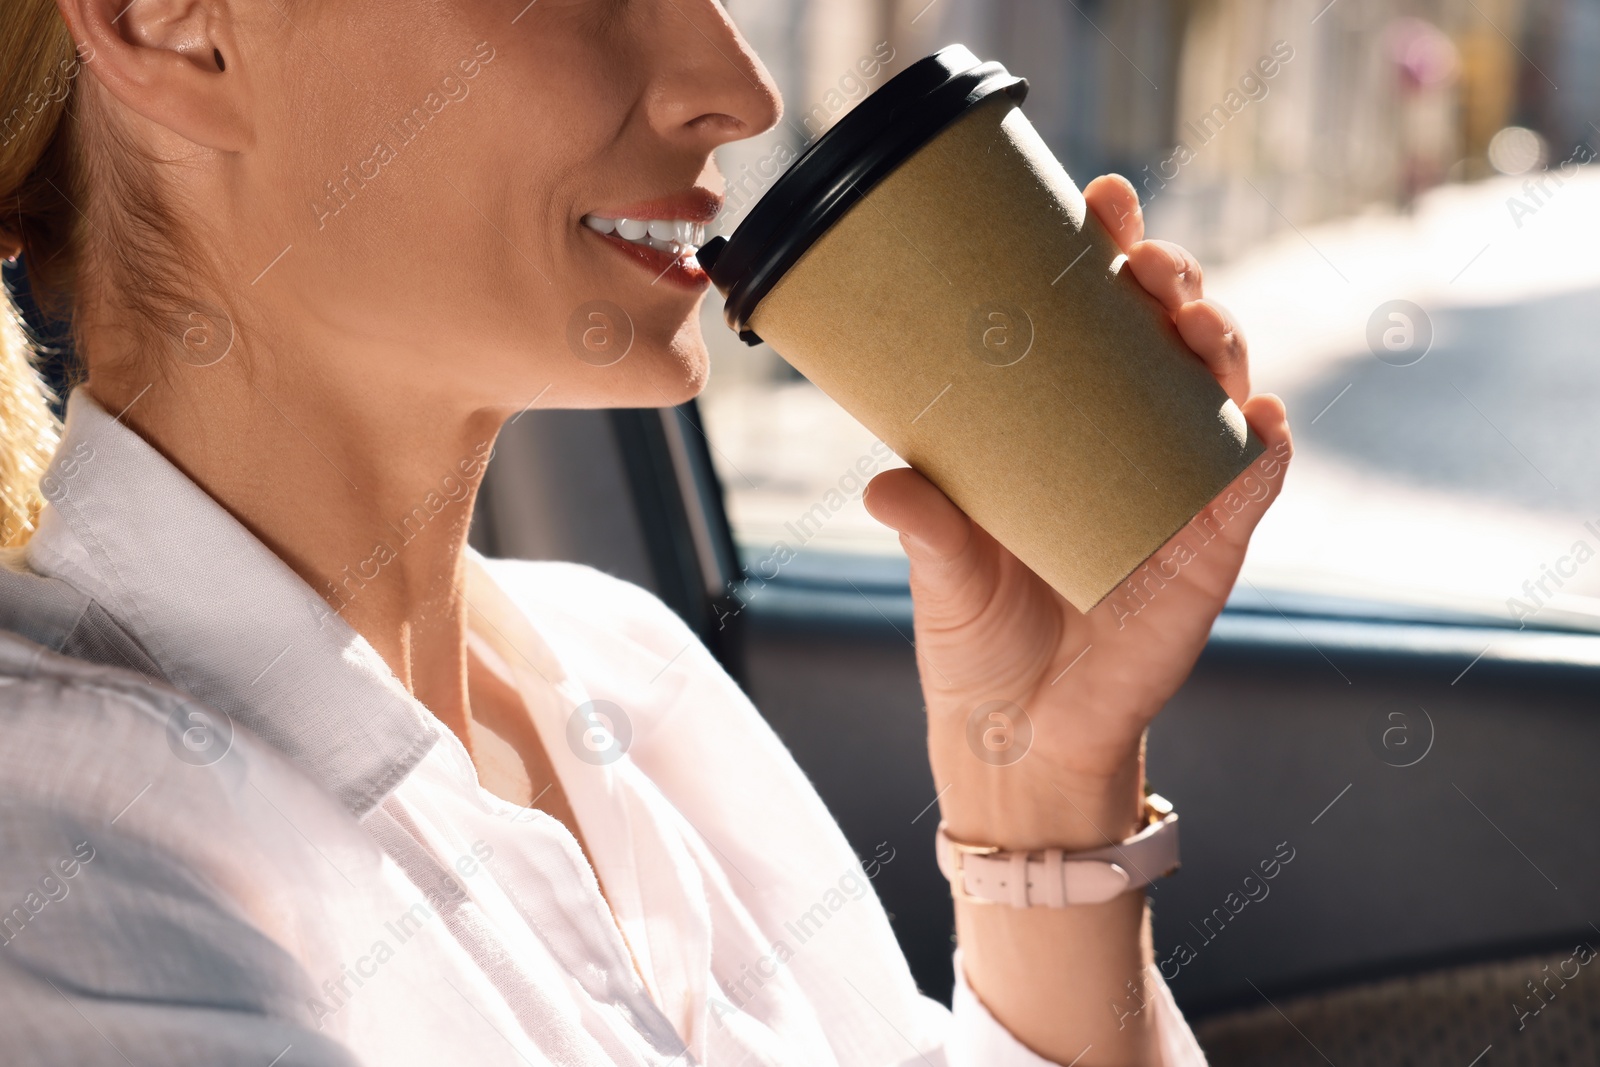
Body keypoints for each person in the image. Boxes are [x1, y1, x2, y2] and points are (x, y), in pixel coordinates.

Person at [0, 0, 1292, 1063]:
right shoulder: (54, 850)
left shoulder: (631, 672)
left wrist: (1045, 806)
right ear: (171, 28)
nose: (736, 87)